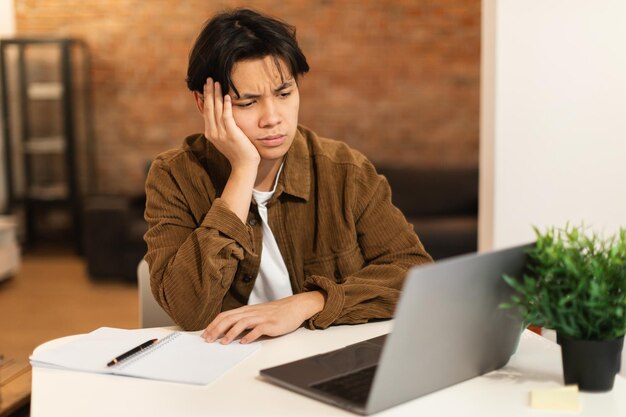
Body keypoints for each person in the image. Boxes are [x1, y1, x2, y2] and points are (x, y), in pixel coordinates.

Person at [143, 8, 432, 345]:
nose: (272, 118)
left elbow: (414, 272)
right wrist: (243, 170)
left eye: (284, 94)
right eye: (248, 103)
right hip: (226, 370)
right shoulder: (174, 176)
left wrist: (309, 303)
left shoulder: (344, 170)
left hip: (323, 360)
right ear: (204, 104)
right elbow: (189, 311)